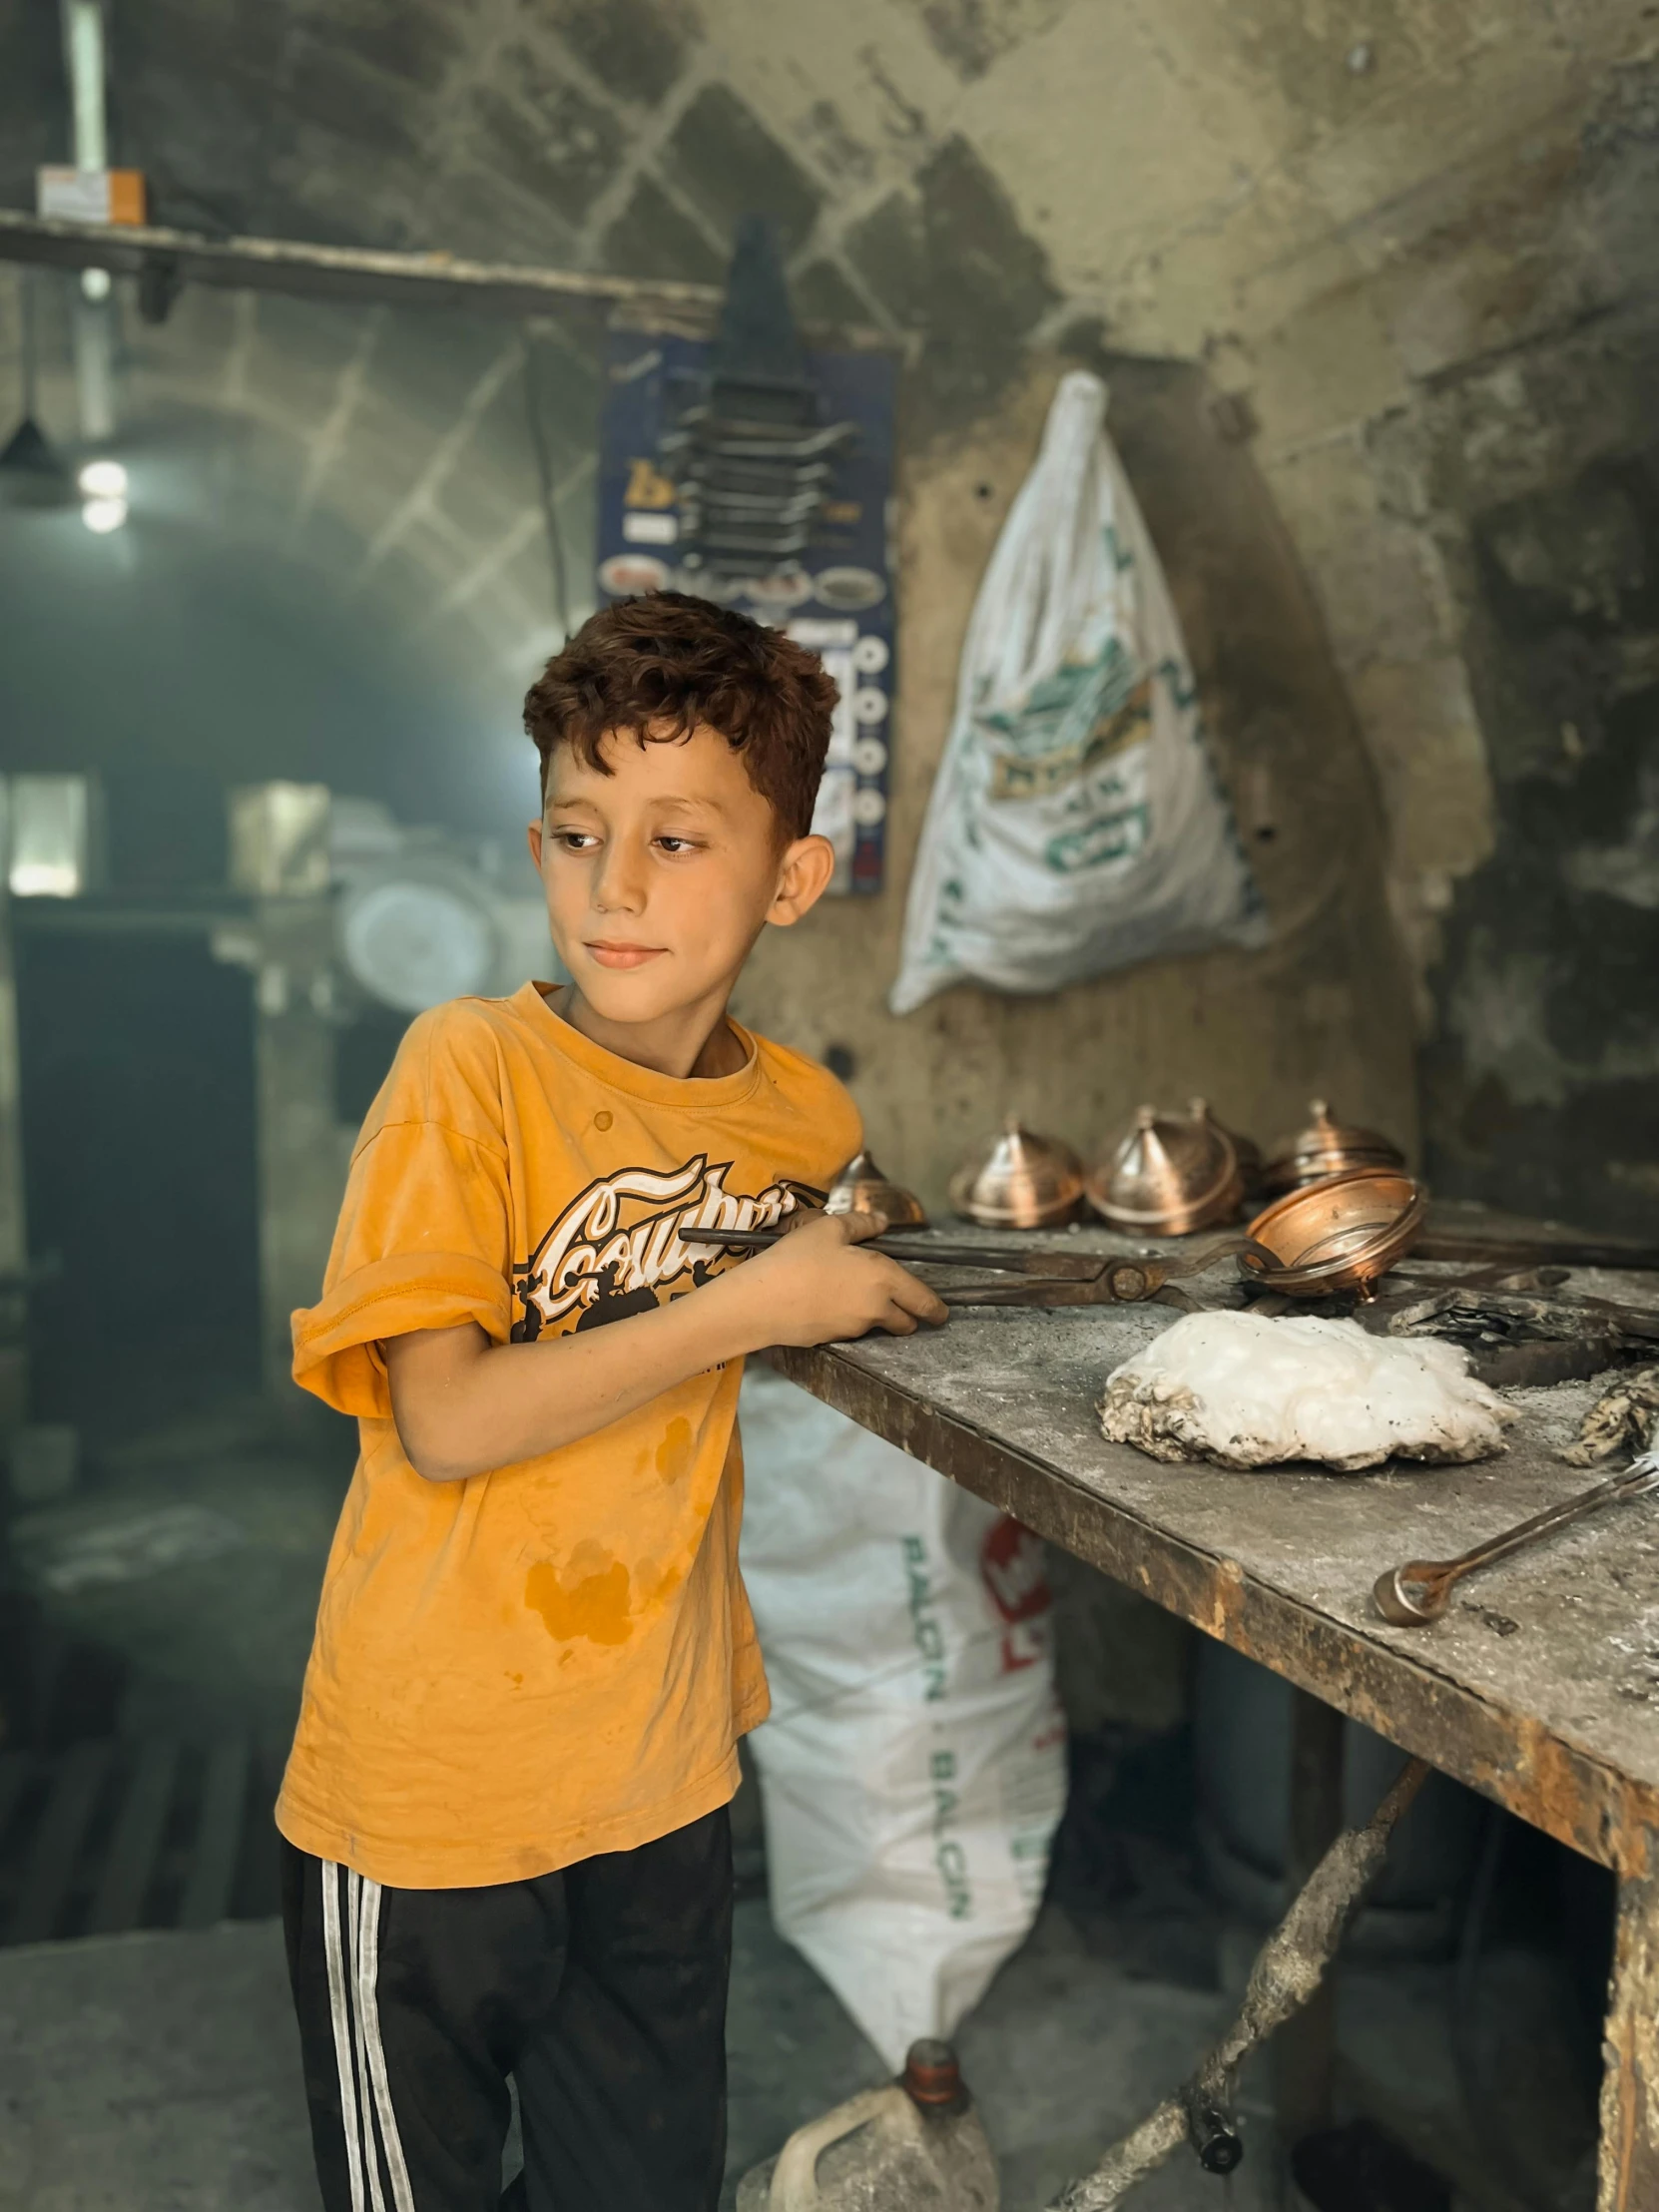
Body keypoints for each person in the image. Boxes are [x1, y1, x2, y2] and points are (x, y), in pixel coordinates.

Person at [276, 592, 947, 2212]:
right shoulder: (467, 1072)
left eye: (677, 839)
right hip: (427, 1790)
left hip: (659, 1773)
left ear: (790, 878)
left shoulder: (801, 1115)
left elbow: (827, 1216)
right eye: (579, 835)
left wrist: (848, 1245)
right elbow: (444, 1418)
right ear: (534, 851)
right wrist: (759, 1298)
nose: (617, 888)